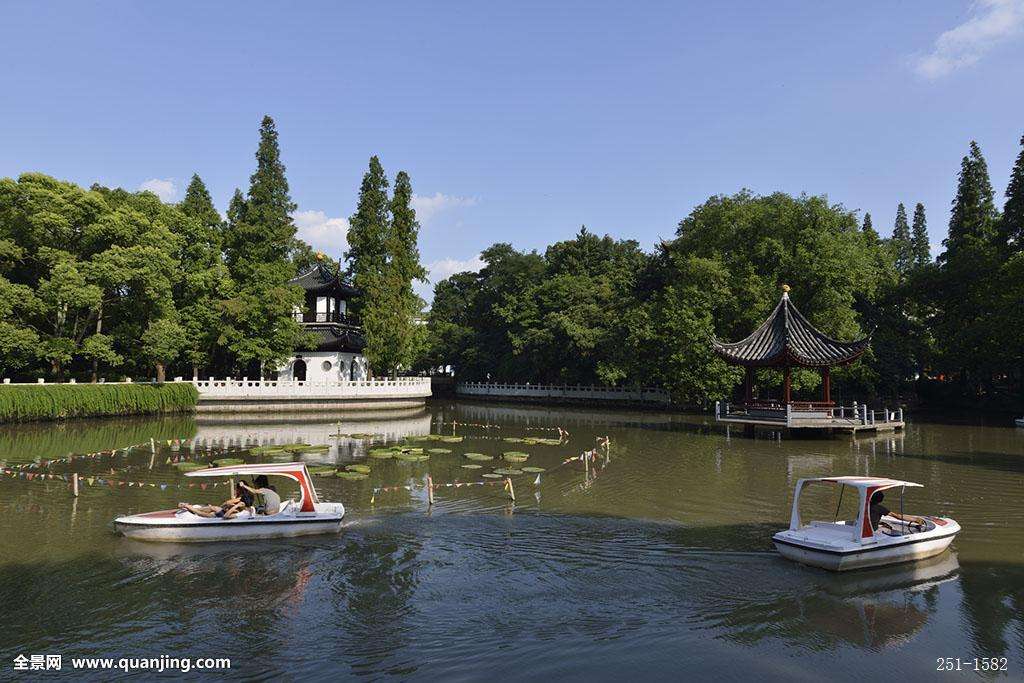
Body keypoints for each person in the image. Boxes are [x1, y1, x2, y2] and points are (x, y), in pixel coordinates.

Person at [178, 483, 253, 519]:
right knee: (210, 509)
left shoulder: (243, 511)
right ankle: (188, 507)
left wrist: (235, 506)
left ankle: (187, 506)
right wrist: (233, 506)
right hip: (224, 512)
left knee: (206, 512)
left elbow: (226, 516)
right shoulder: (248, 509)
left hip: (223, 514)